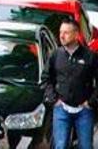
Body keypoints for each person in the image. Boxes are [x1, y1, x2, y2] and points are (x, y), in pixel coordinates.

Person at [42, 17, 98, 149]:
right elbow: (45, 79)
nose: (62, 36)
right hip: (62, 109)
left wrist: (91, 102)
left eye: (66, 32)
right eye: (61, 32)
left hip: (84, 110)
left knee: (85, 146)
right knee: (60, 145)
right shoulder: (56, 55)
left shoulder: (90, 57)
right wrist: (54, 99)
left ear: (76, 34)